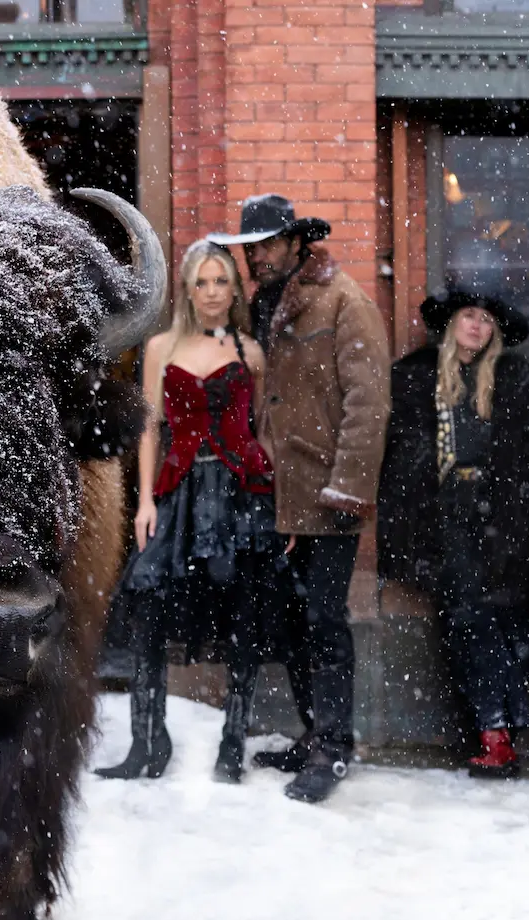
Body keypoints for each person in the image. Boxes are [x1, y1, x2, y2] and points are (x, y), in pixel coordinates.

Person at [209, 194, 390, 805]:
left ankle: (336, 748)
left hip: (328, 494)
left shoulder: (345, 300)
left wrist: (349, 488)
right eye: (250, 247)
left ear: (295, 242)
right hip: (276, 494)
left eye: (265, 244)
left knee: (324, 620)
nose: (256, 256)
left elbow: (369, 403)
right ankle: (315, 734)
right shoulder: (265, 302)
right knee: (289, 622)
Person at [95, 241, 290, 784]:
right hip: (178, 491)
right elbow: (150, 429)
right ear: (187, 288)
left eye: (221, 282)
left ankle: (232, 747)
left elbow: (262, 433)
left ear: (234, 290)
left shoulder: (251, 350)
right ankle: (147, 745)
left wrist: (282, 506)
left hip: (239, 490)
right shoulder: (161, 347)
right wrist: (143, 502)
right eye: (201, 282)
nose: (211, 293)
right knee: (150, 612)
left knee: (243, 618)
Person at [377, 290, 529, 779]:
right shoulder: (416, 377)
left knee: (498, 612)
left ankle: (502, 729)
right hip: (442, 515)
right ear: (451, 323)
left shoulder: (511, 381)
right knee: (467, 614)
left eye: (486, 319)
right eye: (468, 316)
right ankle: (496, 728)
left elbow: (524, 450)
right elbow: (404, 452)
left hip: (500, 515)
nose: (476, 326)